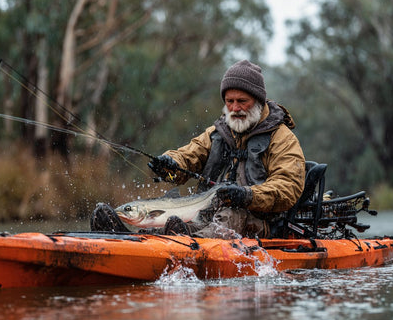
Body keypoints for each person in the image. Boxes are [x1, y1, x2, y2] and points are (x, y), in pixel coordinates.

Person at [91, 59, 305, 238]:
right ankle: (130, 238)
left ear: (258, 101)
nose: (235, 108)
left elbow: (288, 188)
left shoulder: (283, 139)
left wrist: (246, 195)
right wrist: (169, 164)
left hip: (258, 222)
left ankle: (182, 246)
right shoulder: (217, 133)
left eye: (242, 101)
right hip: (209, 215)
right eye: (229, 101)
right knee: (176, 223)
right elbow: (188, 155)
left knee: (228, 216)